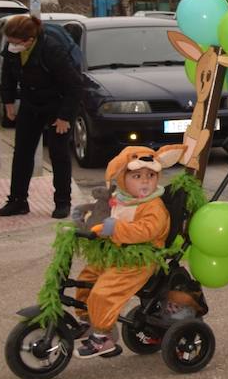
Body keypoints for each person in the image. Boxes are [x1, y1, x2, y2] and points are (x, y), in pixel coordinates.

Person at [73, 145, 184, 358]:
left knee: (105, 291)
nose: (145, 181)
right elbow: (103, 215)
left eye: (151, 175)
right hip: (117, 252)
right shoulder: (122, 198)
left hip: (140, 259)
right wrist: (86, 220)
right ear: (123, 178)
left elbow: (146, 230)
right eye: (137, 175)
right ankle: (89, 318)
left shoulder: (153, 205)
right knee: (87, 276)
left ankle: (103, 338)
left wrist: (116, 228)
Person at [0, 14, 82, 219]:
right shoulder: (12, 50)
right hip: (30, 103)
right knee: (22, 153)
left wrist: (64, 117)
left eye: (14, 42)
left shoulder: (52, 50)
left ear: (29, 40)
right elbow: (6, 76)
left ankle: (63, 202)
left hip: (57, 105)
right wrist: (8, 102)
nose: (10, 45)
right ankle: (17, 201)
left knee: (58, 154)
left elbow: (74, 86)